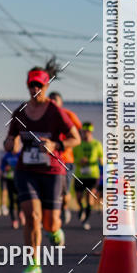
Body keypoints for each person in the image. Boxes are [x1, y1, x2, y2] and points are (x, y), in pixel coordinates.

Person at [4, 66, 80, 273]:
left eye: (39, 84)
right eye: (32, 84)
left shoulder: (56, 112)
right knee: (31, 217)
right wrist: (9, 143)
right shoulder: (19, 112)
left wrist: (56, 144)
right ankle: (33, 265)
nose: (35, 88)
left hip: (52, 172)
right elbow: (10, 140)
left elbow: (76, 138)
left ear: (46, 86)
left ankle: (54, 230)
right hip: (26, 171)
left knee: (49, 223)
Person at [48, 91, 82, 225]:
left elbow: (77, 133)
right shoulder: (44, 116)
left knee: (65, 192)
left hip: (66, 159)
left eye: (56, 100)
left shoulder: (68, 115)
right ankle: (52, 217)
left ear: (61, 102)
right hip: (50, 159)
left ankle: (64, 207)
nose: (53, 102)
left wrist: (64, 142)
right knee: (51, 191)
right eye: (50, 100)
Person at [72, 122, 103, 230]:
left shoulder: (97, 144)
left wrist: (102, 162)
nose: (86, 134)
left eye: (88, 132)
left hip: (92, 175)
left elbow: (102, 158)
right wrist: (79, 161)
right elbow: (72, 159)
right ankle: (81, 208)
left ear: (91, 132)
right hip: (80, 175)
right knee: (79, 198)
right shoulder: (77, 144)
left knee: (90, 198)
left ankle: (86, 220)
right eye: (84, 132)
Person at [0, 149, 20, 228]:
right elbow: (2, 166)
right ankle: (14, 220)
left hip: (18, 180)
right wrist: (4, 169)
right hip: (9, 180)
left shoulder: (20, 153)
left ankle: (21, 216)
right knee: (11, 200)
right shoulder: (6, 155)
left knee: (19, 200)